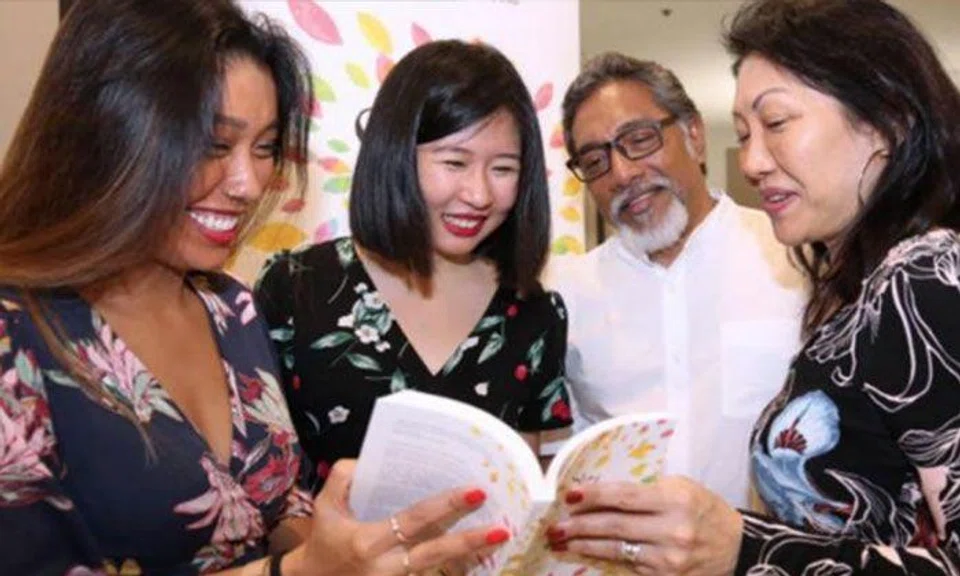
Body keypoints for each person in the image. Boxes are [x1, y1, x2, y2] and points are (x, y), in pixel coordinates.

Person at [0, 1, 510, 574]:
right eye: (215, 145)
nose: (246, 183)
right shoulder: (15, 329)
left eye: (264, 148)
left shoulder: (231, 308)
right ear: (105, 133)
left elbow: (281, 505)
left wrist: (350, 543)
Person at [544, 0, 960, 574]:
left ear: (885, 118)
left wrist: (743, 547)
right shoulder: (850, 287)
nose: (754, 161)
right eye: (744, 133)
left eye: (778, 123)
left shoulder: (924, 278)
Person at [254, 39, 572, 491]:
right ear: (396, 156)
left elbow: (520, 490)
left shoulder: (534, 313)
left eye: (503, 169)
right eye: (454, 162)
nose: (479, 194)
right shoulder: (294, 287)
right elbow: (258, 482)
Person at [551, 52, 806, 508]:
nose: (623, 173)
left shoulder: (796, 257)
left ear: (693, 135)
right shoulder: (566, 293)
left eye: (640, 140)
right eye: (595, 161)